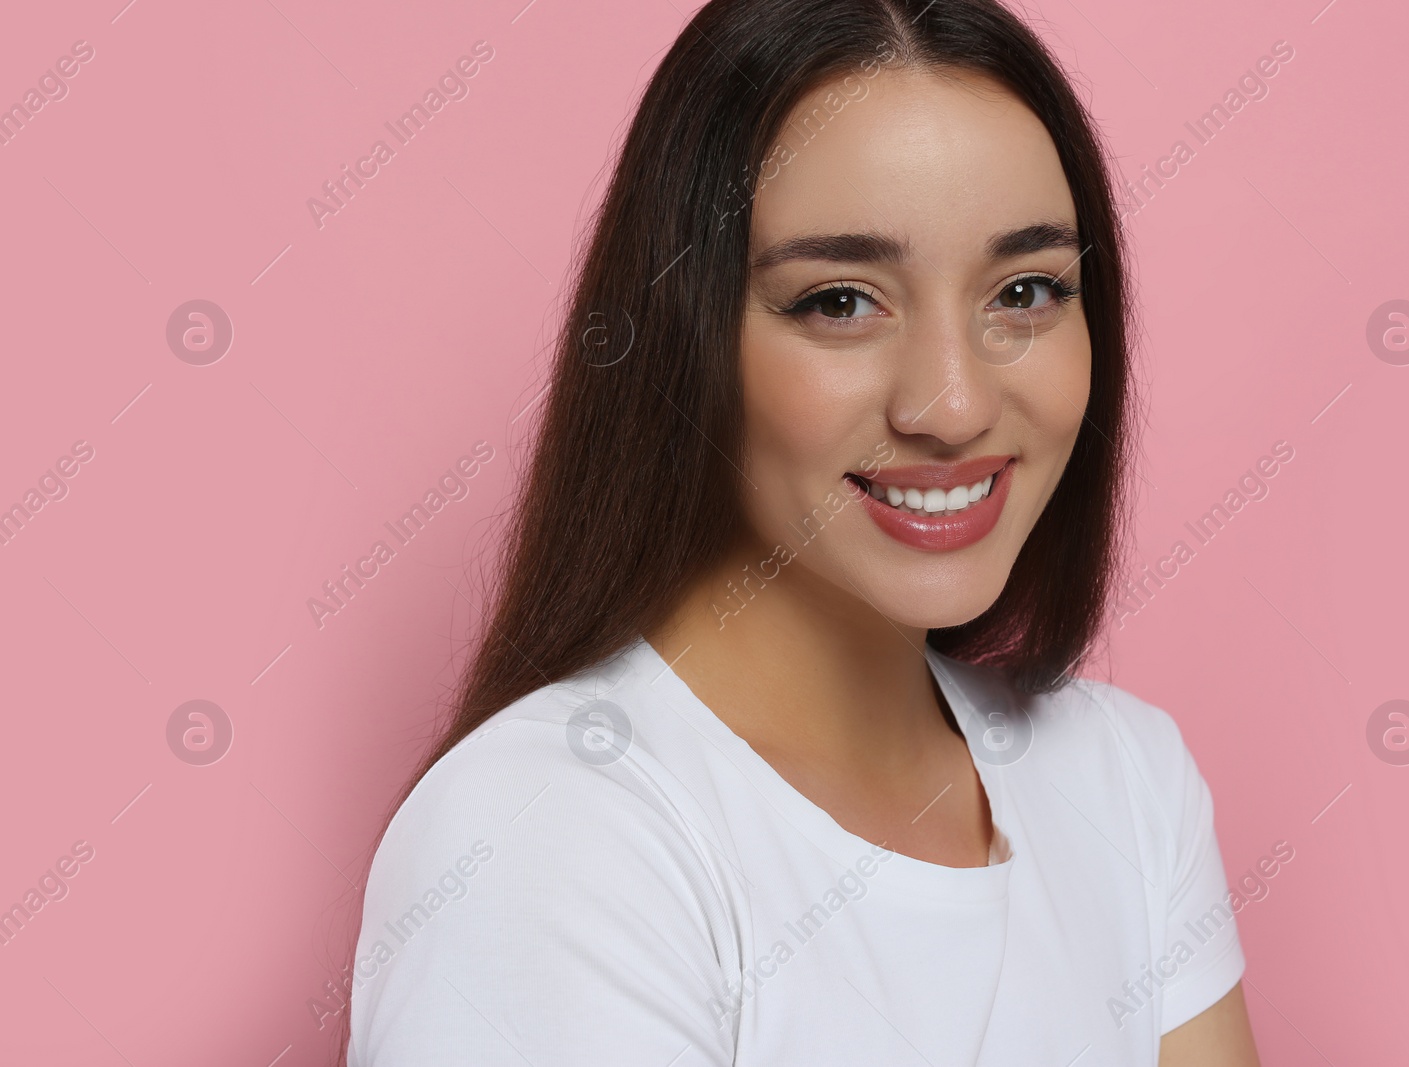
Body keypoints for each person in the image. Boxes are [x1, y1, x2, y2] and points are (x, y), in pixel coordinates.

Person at [344, 0, 1260, 1063]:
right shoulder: (547, 833)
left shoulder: (1125, 782)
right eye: (839, 301)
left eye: (1024, 290)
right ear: (685, 337)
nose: (951, 403)